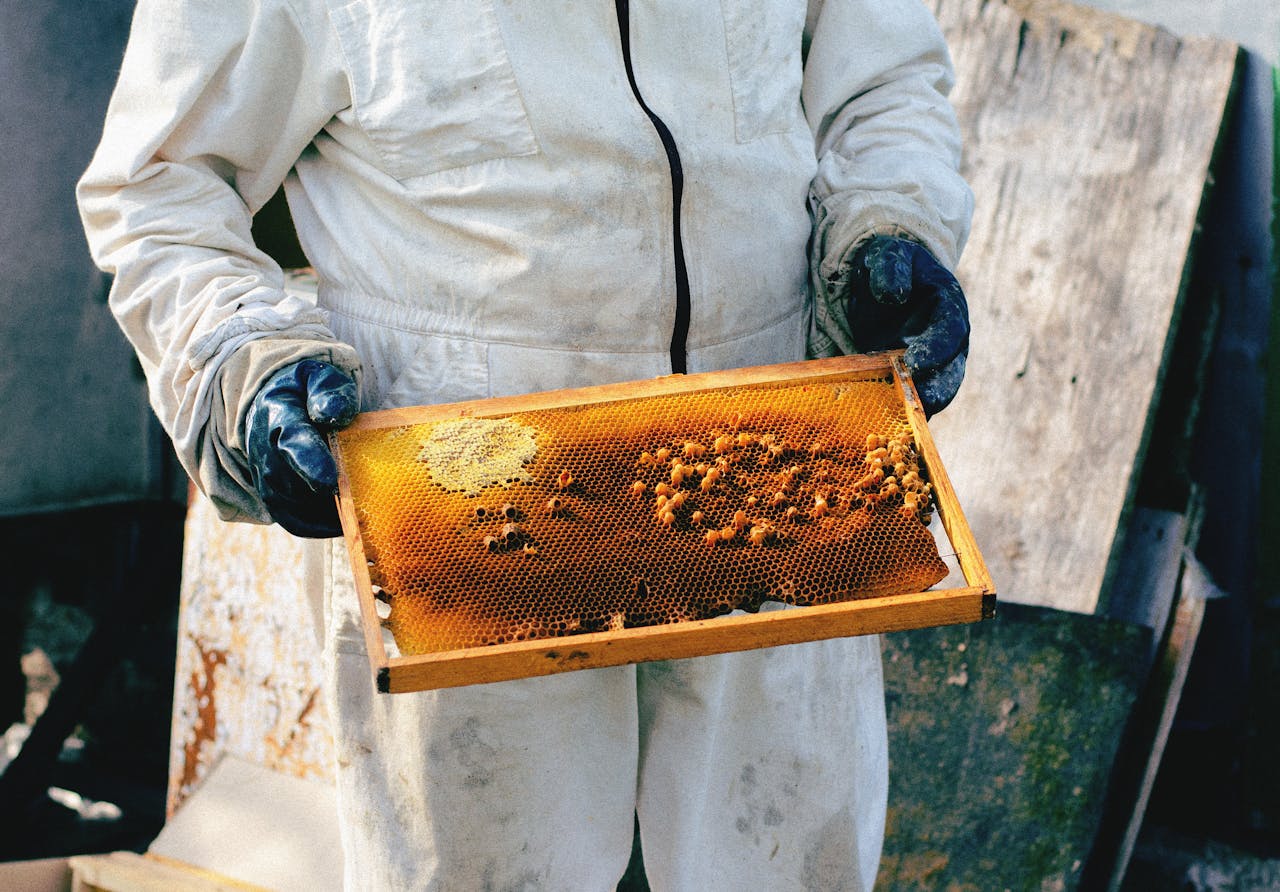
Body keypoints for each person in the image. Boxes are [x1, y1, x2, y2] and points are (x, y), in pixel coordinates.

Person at [79, 1, 972, 888]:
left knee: (775, 857)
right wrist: (241, 357)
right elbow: (161, 186)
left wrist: (889, 221)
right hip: (468, 507)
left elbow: (881, 81)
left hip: (771, 478)